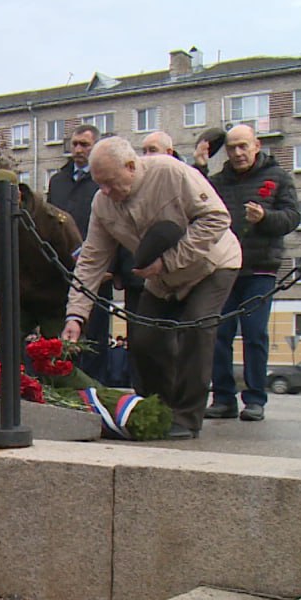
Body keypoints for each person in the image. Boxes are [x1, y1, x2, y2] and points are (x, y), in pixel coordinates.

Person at [62, 136, 240, 439]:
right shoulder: (102, 202)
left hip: (213, 264)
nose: (105, 191)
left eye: (110, 182)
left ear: (131, 166)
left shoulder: (171, 172)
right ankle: (161, 408)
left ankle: (186, 417)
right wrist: (75, 316)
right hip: (161, 279)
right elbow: (92, 259)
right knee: (144, 341)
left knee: (196, 330)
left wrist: (169, 262)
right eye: (98, 184)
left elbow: (216, 218)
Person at [204, 124, 301, 422]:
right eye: (232, 147)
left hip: (260, 269)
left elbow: (292, 217)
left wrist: (265, 218)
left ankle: (255, 399)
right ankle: (222, 398)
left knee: (255, 334)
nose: (237, 152)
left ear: (256, 145)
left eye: (243, 146)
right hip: (224, 268)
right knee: (219, 333)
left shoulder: (278, 177)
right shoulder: (217, 181)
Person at [0, 168, 81, 346]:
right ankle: (21, 374)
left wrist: (77, 315)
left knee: (58, 357)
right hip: (20, 303)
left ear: (16, 197)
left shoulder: (54, 222)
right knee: (3, 338)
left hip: (57, 304)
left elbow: (80, 272)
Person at [48, 124, 111, 383]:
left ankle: (95, 388)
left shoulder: (102, 180)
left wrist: (113, 268)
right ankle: (65, 384)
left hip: (98, 270)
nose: (77, 150)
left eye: (84, 145)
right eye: (74, 144)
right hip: (62, 269)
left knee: (94, 335)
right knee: (63, 332)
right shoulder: (58, 181)